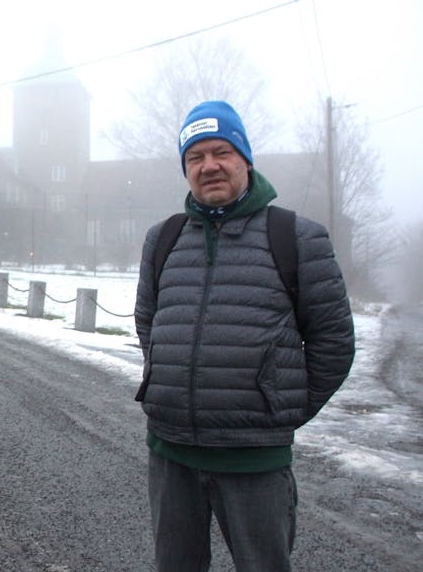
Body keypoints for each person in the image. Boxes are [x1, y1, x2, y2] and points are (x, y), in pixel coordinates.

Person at [133, 100, 355, 572]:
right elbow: (149, 324)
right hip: (171, 452)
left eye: (221, 152)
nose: (209, 166)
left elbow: (333, 343)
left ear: (245, 159)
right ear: (186, 169)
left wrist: (280, 408)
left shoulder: (296, 236)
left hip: (254, 460)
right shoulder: (163, 238)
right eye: (196, 157)